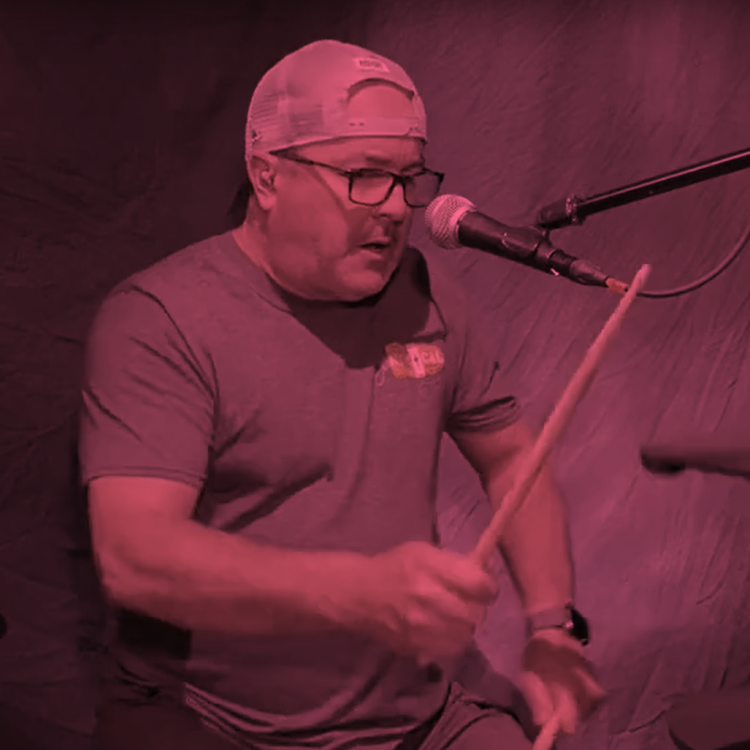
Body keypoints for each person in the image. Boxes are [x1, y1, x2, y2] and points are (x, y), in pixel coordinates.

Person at [79, 39, 605, 750]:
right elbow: (135, 558)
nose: (396, 209)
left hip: (417, 715)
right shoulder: (159, 320)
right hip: (213, 720)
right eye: (364, 176)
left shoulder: (429, 302)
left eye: (409, 179)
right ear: (267, 178)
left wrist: (552, 627)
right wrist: (358, 593)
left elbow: (515, 460)